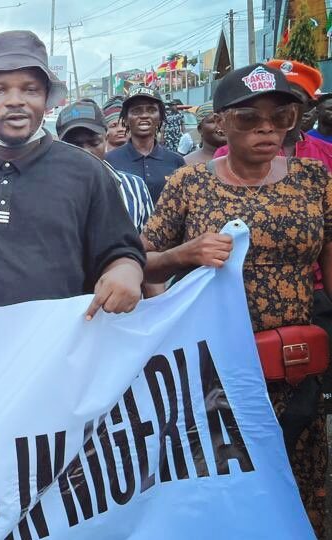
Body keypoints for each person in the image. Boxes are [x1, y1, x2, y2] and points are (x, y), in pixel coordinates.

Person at [141, 63, 328, 537]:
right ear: (221, 122)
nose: (267, 128)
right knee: (222, 486)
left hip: (293, 363)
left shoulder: (314, 179)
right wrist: (183, 254)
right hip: (216, 371)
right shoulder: (190, 184)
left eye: (282, 116)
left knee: (296, 487)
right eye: (248, 118)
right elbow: (140, 260)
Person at [0, 30, 144, 315]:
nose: (15, 100)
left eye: (30, 89)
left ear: (48, 97)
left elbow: (120, 251)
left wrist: (126, 271)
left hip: (63, 349)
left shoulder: (87, 172)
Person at [213, 59, 332, 170]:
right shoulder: (227, 154)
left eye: (292, 98)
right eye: (270, 100)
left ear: (309, 105)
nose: (282, 106)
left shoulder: (327, 154)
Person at [55, 99, 154, 231]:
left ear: (105, 138)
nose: (85, 152)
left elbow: (147, 247)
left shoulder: (135, 188)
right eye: (75, 145)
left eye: (94, 143)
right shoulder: (48, 193)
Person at [105, 85, 186, 202]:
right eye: (136, 111)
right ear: (126, 119)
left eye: (151, 110)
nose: (144, 115)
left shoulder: (176, 161)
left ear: (160, 117)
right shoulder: (109, 162)